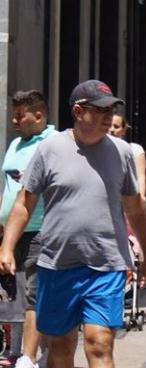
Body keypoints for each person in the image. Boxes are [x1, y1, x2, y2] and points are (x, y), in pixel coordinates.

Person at [0, 79, 146, 368]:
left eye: (111, 109)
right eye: (100, 109)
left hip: (106, 263)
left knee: (99, 343)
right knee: (61, 347)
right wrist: (7, 247)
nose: (108, 116)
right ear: (78, 110)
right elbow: (25, 202)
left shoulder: (122, 151)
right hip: (57, 265)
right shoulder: (50, 148)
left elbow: (135, 208)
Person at [0, 91, 55, 368]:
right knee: (15, 293)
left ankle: (30, 358)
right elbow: (9, 187)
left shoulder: (53, 143)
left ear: (39, 115)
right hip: (12, 231)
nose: (14, 120)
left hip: (41, 229)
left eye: (20, 115)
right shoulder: (15, 144)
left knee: (34, 293)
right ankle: (24, 352)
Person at [110, 114, 146, 202]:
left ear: (123, 130)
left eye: (116, 126)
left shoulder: (135, 149)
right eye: (108, 125)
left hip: (128, 199)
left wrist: (141, 197)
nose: (111, 130)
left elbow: (140, 175)